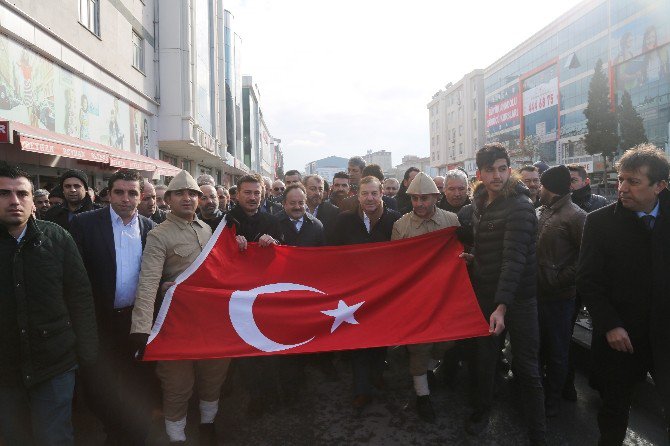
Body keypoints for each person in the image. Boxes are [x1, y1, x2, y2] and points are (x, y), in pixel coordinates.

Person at [577, 144, 670, 446]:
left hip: (665, 335)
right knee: (614, 409)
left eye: (633, 181)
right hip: (621, 337)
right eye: (620, 179)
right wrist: (610, 324)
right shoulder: (600, 222)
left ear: (660, 186)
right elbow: (589, 279)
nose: (623, 188)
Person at [0, 162, 98, 446]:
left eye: (22, 194)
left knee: (53, 437)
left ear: (33, 201)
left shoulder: (57, 238)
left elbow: (80, 296)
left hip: (55, 363)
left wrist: (87, 352)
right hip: (5, 368)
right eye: (5, 193)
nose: (14, 201)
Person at [130, 170, 229, 445]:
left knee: (214, 376)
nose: (187, 198)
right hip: (175, 325)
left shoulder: (207, 229)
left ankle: (208, 424)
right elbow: (148, 282)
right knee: (177, 385)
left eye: (193, 194)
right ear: (169, 199)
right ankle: (177, 437)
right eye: (180, 194)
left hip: (210, 324)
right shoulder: (158, 235)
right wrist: (141, 329)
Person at [459, 143, 546, 444]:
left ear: (509, 169)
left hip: (517, 299)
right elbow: (492, 250)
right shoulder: (479, 205)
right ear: (479, 174)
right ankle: (482, 410)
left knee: (527, 366)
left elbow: (514, 260)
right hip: (487, 295)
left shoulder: (520, 206)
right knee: (484, 360)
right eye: (490, 170)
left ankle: (538, 431)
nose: (497, 175)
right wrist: (475, 258)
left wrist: (502, 307)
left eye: (502, 168)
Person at [70, 169, 157, 445]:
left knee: (138, 381)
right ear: (108, 194)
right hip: (99, 320)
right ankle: (112, 429)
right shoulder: (84, 224)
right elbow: (76, 276)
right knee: (98, 387)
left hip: (136, 320)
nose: (126, 198)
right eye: (119, 192)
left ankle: (135, 433)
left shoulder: (149, 228)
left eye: (132, 193)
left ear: (140, 196)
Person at [391, 172, 459, 422]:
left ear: (436, 197)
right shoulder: (401, 225)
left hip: (444, 295)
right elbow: (396, 264)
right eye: (415, 198)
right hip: (416, 298)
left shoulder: (452, 221)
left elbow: (462, 253)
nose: (419, 203)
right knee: (419, 348)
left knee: (445, 343)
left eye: (425, 198)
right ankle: (423, 396)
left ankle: (429, 369)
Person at [331, 176, 401, 411]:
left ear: (382, 193)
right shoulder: (344, 220)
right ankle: (361, 389)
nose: (369, 198)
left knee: (381, 337)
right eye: (365, 193)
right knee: (358, 340)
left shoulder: (395, 219)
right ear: (357, 195)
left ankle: (377, 373)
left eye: (374, 193)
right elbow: (331, 254)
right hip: (354, 291)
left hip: (384, 291)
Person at [225, 174, 282, 418]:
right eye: (247, 192)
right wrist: (228, 245)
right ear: (237, 194)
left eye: (256, 193)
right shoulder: (225, 221)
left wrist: (275, 242)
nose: (252, 197)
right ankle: (253, 396)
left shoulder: (271, 220)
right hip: (236, 295)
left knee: (268, 346)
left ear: (263, 194)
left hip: (265, 294)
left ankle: (272, 393)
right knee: (244, 349)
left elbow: (285, 253)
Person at [535, 165, 586, 418]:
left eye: (541, 185)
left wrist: (558, 280)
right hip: (536, 294)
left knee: (557, 351)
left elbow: (585, 258)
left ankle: (552, 399)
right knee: (539, 347)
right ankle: (541, 391)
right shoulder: (541, 211)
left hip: (559, 298)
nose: (538, 189)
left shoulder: (575, 216)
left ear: (550, 188)